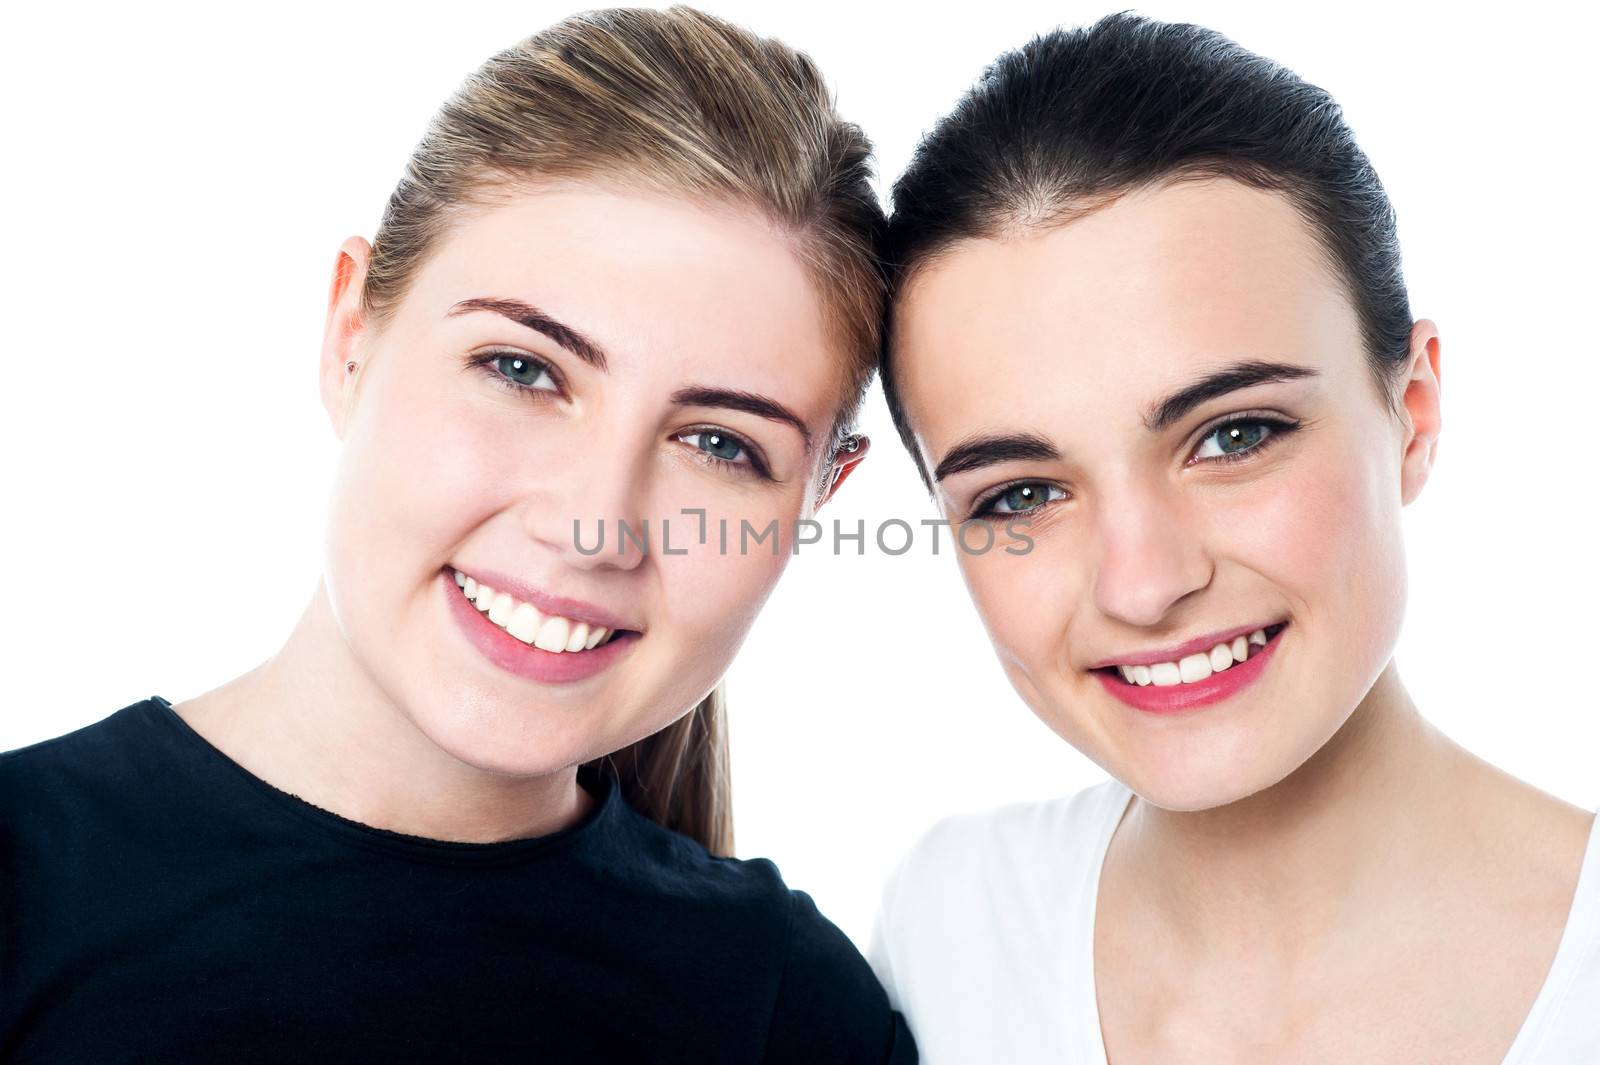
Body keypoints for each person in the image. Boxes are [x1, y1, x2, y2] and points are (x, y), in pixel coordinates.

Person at [0, 8, 914, 1063]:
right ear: (351, 336)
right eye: (522, 371)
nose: (592, 527)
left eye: (718, 442)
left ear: (817, 498)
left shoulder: (794, 1014)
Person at [868, 13, 1597, 1064]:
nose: (1143, 583)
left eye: (1233, 435)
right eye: (1020, 495)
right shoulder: (951, 933)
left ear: (1415, 409)